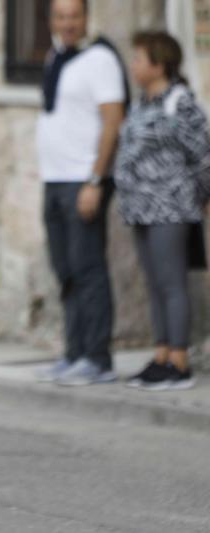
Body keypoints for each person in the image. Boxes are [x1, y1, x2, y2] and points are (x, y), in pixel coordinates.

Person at [35, 0, 128, 386]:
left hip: (82, 179)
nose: (67, 23)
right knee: (66, 270)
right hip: (53, 178)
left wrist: (95, 180)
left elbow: (113, 122)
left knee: (88, 268)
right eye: (60, 16)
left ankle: (97, 357)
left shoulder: (101, 58)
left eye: (74, 16)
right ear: (52, 20)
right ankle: (73, 353)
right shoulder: (56, 55)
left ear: (86, 18)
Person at [115, 31, 210, 391]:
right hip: (140, 208)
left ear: (159, 63)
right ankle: (161, 356)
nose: (134, 64)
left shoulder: (179, 102)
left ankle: (180, 360)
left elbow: (202, 156)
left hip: (171, 207)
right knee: (154, 284)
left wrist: (201, 196)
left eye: (139, 58)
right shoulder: (142, 102)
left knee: (172, 283)